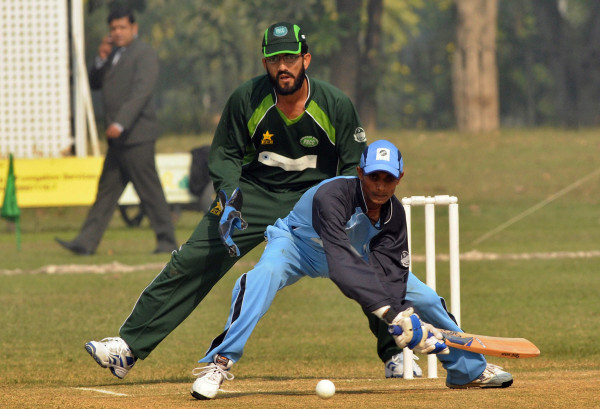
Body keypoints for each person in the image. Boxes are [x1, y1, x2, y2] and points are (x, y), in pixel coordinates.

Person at [84, 21, 421, 379]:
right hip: (253, 196)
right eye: (274, 59)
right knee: (192, 259)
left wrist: (351, 215)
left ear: (306, 59)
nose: (283, 66)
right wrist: (229, 195)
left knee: (367, 260)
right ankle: (127, 348)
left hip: (316, 202)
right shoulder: (246, 99)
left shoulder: (334, 104)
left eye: (290, 58)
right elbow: (226, 154)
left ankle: (395, 353)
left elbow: (354, 165)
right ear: (265, 63)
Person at [190, 140, 514, 400]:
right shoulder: (332, 195)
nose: (380, 186)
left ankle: (467, 371)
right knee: (261, 278)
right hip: (297, 245)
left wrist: (407, 320)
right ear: (360, 173)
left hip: (356, 255)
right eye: (374, 177)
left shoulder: (394, 216)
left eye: (389, 179)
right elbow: (341, 265)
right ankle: (220, 362)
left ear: (400, 178)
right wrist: (394, 316)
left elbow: (392, 278)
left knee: (426, 298)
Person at [55, 8, 177, 255]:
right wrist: (100, 59)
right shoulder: (111, 54)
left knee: (149, 190)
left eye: (122, 27)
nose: (118, 32)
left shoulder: (144, 54)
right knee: (106, 193)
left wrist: (120, 123)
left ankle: (167, 241)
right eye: (113, 28)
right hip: (118, 140)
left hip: (136, 135)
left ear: (134, 28)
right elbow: (94, 82)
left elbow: (141, 92)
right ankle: (85, 243)